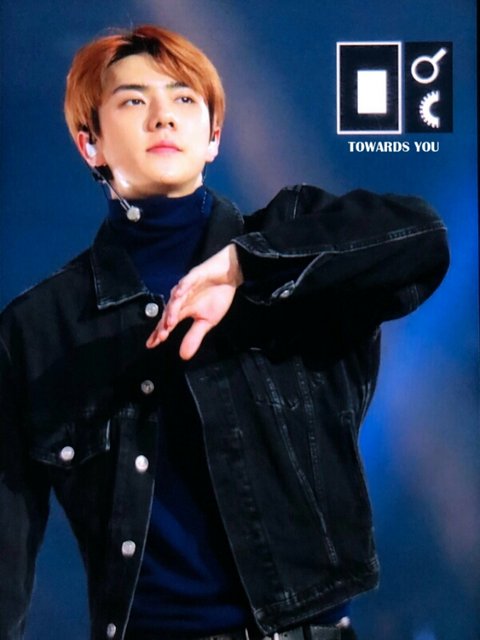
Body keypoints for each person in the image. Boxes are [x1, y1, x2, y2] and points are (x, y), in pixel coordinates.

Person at [0, 25, 449, 640]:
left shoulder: (295, 238)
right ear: (90, 144)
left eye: (184, 98)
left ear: (213, 136)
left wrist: (248, 265)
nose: (163, 116)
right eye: (133, 100)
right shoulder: (37, 330)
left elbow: (422, 240)